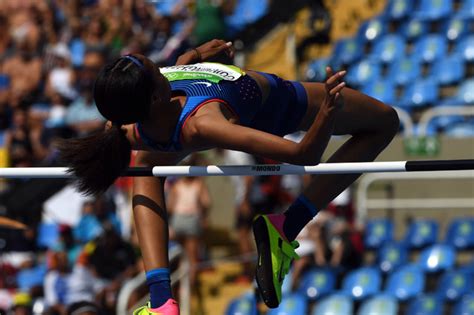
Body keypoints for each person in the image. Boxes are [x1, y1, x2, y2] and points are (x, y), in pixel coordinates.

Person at [57, 39, 399, 314]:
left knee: (146, 170)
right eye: (157, 72)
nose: (162, 70)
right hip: (285, 105)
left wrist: (192, 57)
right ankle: (287, 227)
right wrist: (326, 113)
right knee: (385, 122)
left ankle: (162, 301)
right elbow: (303, 156)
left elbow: (172, 79)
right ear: (157, 94)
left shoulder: (133, 120)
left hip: (175, 122)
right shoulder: (204, 123)